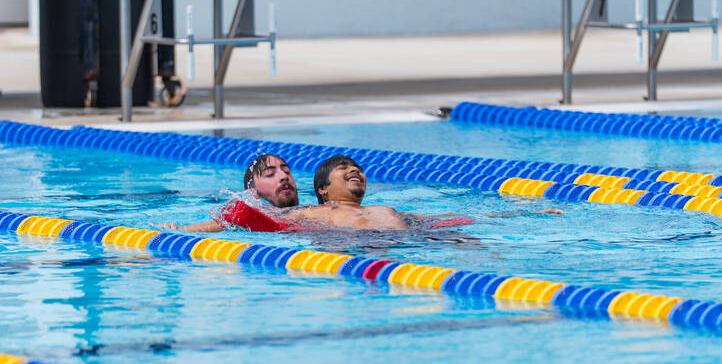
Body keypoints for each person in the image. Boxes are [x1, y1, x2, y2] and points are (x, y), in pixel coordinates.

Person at [277, 155, 563, 231]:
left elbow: (449, 217)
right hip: (355, 249)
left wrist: (526, 212)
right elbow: (268, 221)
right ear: (323, 189)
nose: (354, 171)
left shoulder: (385, 210)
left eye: (357, 168)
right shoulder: (314, 211)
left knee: (466, 238)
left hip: (409, 243)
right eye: (343, 169)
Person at [155, 154, 298, 232]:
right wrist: (182, 230)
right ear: (252, 192)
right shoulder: (259, 215)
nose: (284, 176)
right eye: (270, 174)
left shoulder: (312, 208)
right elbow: (235, 222)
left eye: (287, 171)